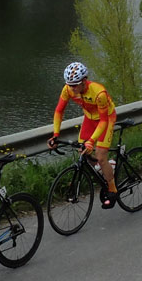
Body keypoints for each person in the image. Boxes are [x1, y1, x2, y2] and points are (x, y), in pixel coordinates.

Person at [48, 62, 119, 208]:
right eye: (70, 85)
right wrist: (55, 134)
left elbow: (104, 121)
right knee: (83, 151)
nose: (72, 89)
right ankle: (105, 167)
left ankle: (112, 189)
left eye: (75, 85)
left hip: (105, 119)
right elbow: (59, 111)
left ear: (84, 81)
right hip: (89, 118)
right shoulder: (67, 89)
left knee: (100, 155)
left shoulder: (99, 93)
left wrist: (92, 141)